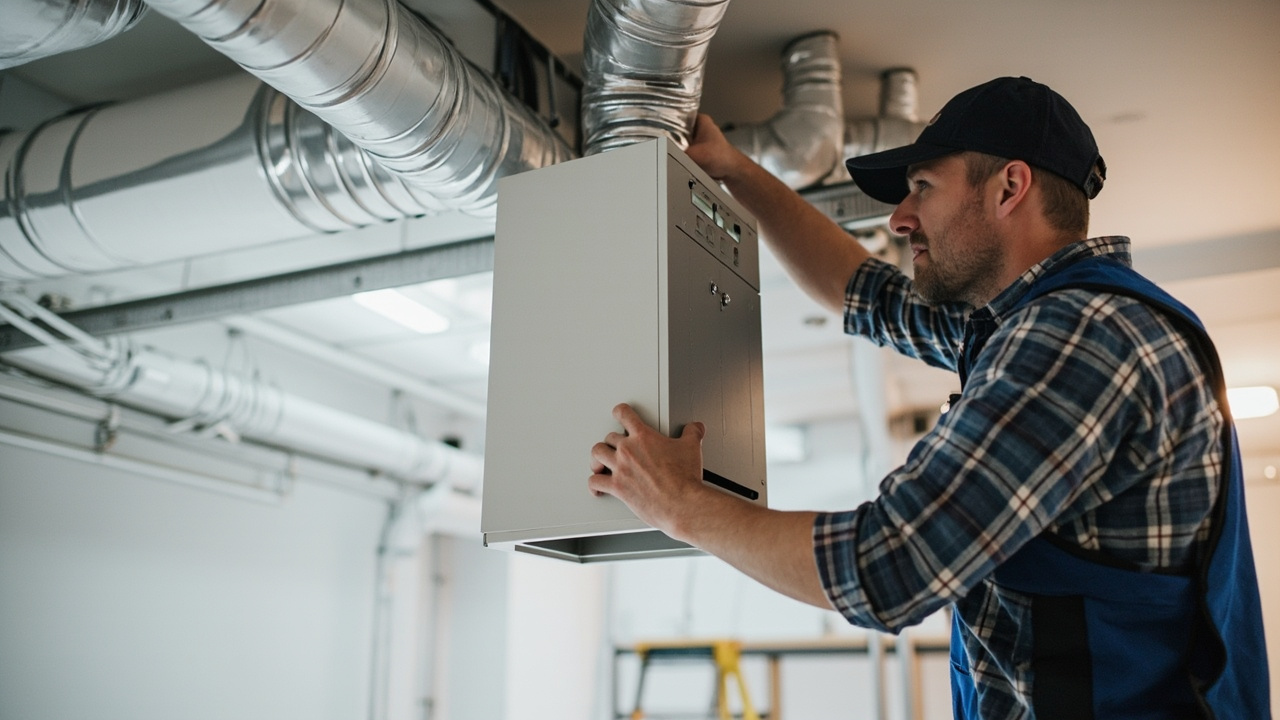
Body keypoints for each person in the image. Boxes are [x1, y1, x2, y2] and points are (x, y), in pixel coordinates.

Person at [588, 76, 1270, 719]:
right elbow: (861, 291)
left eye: (921, 187)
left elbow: (887, 567)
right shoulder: (1027, 325)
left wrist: (681, 506)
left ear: (1009, 187)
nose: (900, 219)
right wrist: (736, 169)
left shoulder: (1078, 338)